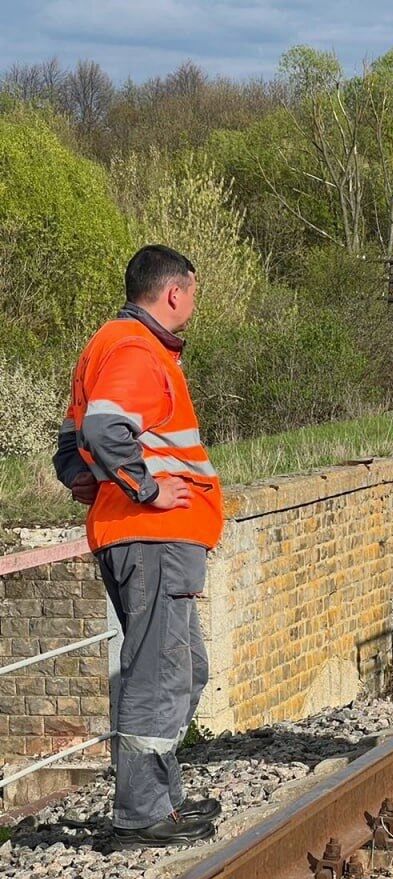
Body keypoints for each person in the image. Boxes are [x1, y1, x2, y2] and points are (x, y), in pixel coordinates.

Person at [53, 245, 225, 847]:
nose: (194, 306)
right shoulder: (137, 349)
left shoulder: (107, 346)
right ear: (174, 292)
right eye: (193, 294)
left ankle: (163, 798)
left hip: (142, 538)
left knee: (184, 668)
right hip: (152, 537)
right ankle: (142, 811)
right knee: (159, 675)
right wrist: (144, 489)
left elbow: (72, 446)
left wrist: (93, 480)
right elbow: (103, 430)